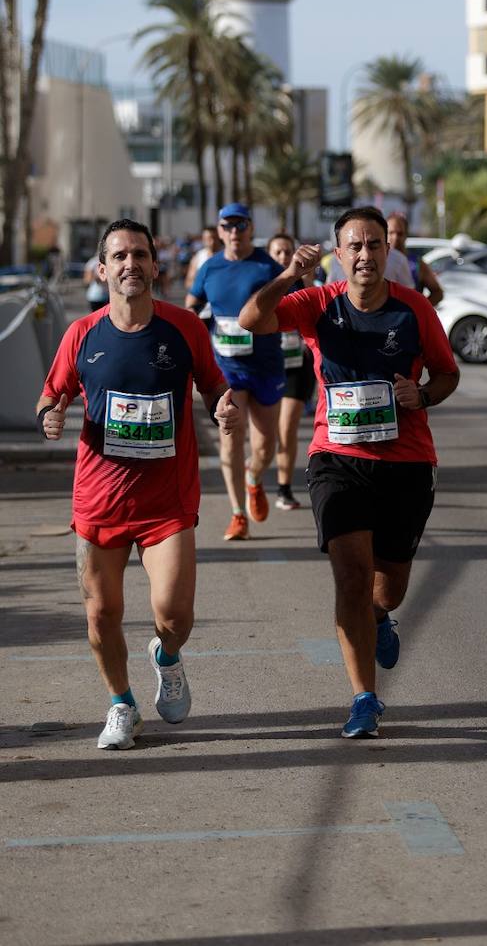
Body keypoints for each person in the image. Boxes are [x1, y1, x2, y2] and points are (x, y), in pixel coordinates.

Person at [238, 205, 460, 739]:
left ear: (389, 251)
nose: (365, 254)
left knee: (388, 589)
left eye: (374, 244)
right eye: (354, 246)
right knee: (352, 577)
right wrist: (290, 275)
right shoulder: (317, 302)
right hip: (336, 460)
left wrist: (422, 394)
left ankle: (382, 618)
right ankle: (364, 698)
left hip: (405, 462)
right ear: (339, 255)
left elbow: (448, 373)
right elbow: (251, 320)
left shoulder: (413, 311)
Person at [36, 219, 240, 751]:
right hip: (99, 499)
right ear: (102, 269)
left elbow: (214, 383)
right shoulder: (82, 335)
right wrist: (50, 417)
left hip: (165, 502)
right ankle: (121, 704)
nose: (131, 264)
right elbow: (51, 395)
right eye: (119, 256)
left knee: (174, 616)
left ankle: (166, 658)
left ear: (155, 265)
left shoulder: (184, 327)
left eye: (140, 255)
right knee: (100, 615)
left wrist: (223, 403)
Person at [186, 203, 285, 541]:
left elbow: (292, 303)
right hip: (227, 367)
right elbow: (191, 306)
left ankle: (254, 478)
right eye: (227, 226)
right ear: (219, 230)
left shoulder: (267, 266)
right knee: (231, 437)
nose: (233, 232)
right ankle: (238, 513)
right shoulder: (209, 267)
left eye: (240, 226)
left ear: (250, 227)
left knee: (265, 446)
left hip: (267, 365)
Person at [267, 231, 318, 510]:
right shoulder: (263, 285)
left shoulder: (304, 283)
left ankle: (283, 488)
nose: (284, 256)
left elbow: (313, 303)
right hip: (268, 366)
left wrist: (306, 275)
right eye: (278, 252)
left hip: (297, 365)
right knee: (266, 436)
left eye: (288, 251)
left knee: (287, 428)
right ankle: (258, 467)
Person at [386, 212, 444, 307]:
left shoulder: (417, 263)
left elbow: (437, 293)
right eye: (391, 233)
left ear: (406, 235)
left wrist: (419, 309)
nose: (395, 238)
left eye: (400, 233)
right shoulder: (379, 260)